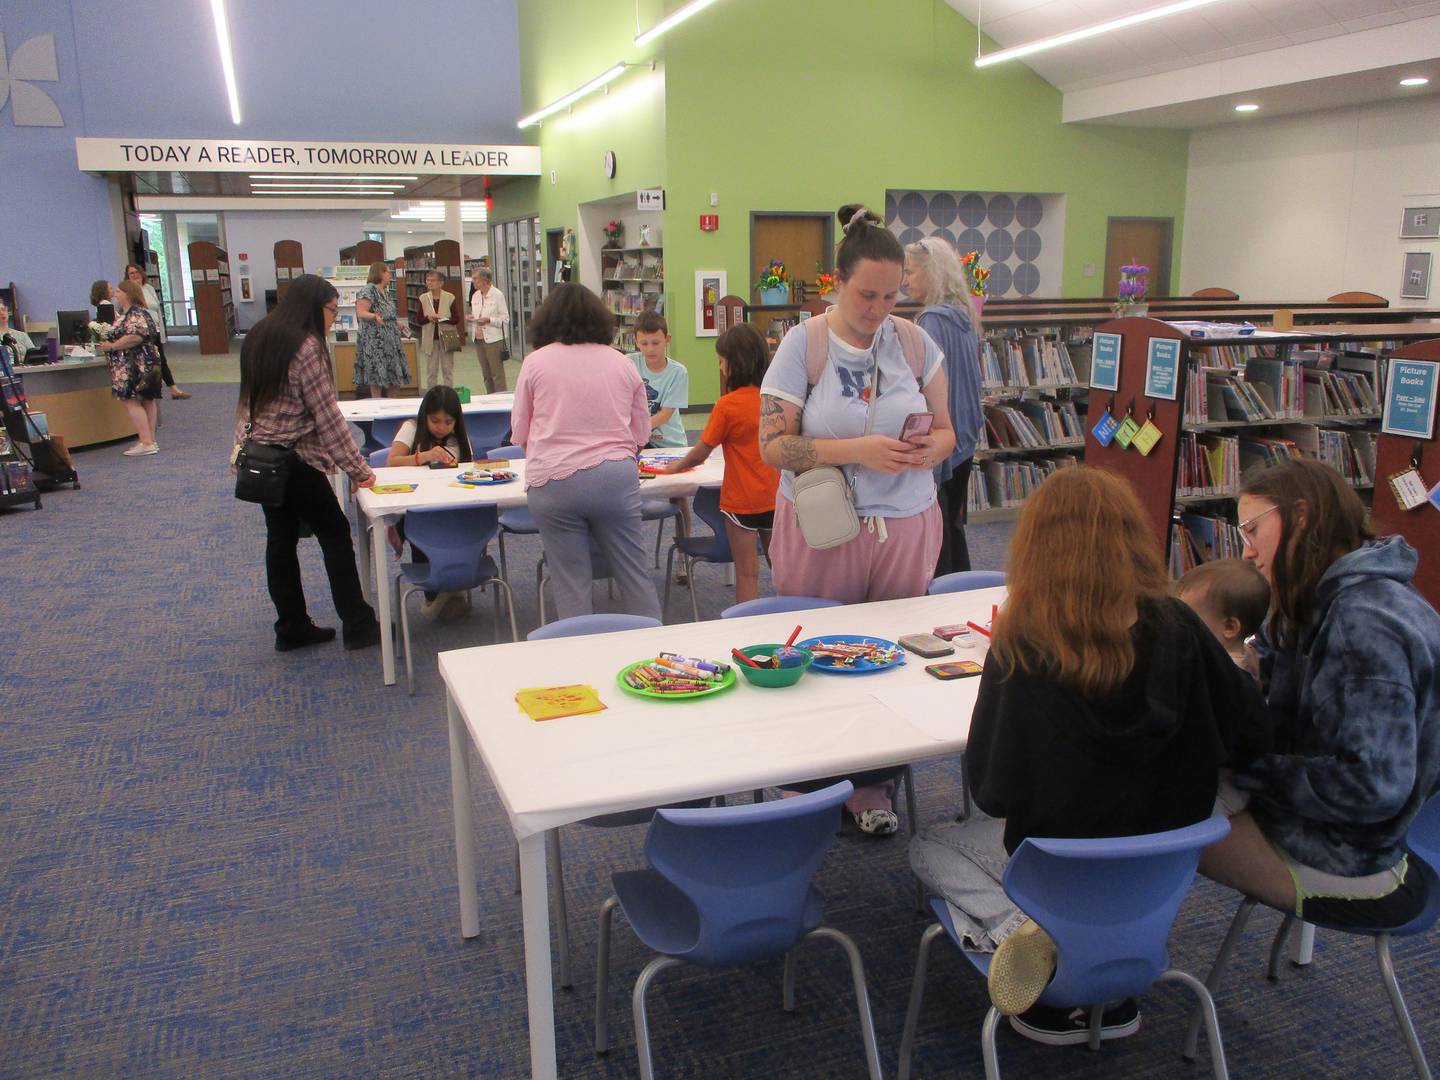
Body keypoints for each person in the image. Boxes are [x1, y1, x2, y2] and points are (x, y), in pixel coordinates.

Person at [908, 466, 1269, 1046]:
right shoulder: (1180, 625)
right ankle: (1106, 966)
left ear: (1036, 549)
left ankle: (1030, 934)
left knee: (929, 847)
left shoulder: (1026, 640)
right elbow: (1252, 732)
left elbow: (992, 789)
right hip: (1156, 866)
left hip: (1061, 864)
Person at [759, 203, 955, 835]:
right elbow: (771, 448)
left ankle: (872, 787)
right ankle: (806, 779)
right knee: (818, 657)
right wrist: (857, 453)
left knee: (891, 660)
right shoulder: (803, 343)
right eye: (866, 294)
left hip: (906, 522)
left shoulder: (918, 342)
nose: (878, 309)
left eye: (892, 296)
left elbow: (951, 431)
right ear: (836, 284)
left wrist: (933, 448)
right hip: (825, 524)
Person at [1199, 459, 1440, 932]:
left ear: (1301, 516)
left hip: (1356, 857)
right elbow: (1277, 673)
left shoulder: (1362, 623)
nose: (1247, 552)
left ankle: (1107, 976)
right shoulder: (1328, 595)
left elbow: (1371, 786)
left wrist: (1251, 768)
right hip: (1357, 833)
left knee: (1162, 804)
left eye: (1252, 530)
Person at [233, 274, 382, 653]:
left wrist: (239, 449)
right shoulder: (307, 346)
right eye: (332, 310)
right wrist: (358, 470)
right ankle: (359, 623)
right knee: (334, 533)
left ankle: (291, 625)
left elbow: (247, 401)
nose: (333, 318)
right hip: (296, 460)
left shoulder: (260, 336)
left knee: (280, 541)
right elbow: (326, 417)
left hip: (263, 459)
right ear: (313, 307)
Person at [510, 283, 661, 622]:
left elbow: (521, 431)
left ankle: (580, 662)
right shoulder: (622, 363)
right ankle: (655, 655)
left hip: (553, 481)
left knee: (571, 582)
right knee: (634, 573)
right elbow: (641, 433)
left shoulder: (535, 363)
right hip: (614, 477)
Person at [656, 322, 779, 605]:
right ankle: (788, 623)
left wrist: (674, 468)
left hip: (741, 502)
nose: (721, 367)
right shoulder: (774, 401)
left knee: (747, 574)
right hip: (774, 497)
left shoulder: (727, 405)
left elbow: (701, 452)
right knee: (780, 569)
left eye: (721, 361)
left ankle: (747, 634)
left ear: (732, 364)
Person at [903, 237, 983, 574]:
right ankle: (958, 592)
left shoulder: (931, 322)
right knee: (952, 525)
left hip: (943, 438)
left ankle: (940, 599)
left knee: (937, 531)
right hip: (965, 435)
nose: (905, 281)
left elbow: (928, 387)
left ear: (931, 273)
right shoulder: (963, 317)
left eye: (909, 272)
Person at [389, 385, 474, 619]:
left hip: (452, 504)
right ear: (424, 415)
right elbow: (391, 462)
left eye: (448, 422)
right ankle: (435, 592)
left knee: (468, 522)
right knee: (424, 526)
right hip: (418, 508)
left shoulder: (459, 439)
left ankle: (454, 584)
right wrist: (422, 456)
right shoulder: (411, 428)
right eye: (435, 421)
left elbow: (469, 468)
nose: (441, 427)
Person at [95, 279, 163, 456]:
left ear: (127, 293)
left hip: (133, 365)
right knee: (147, 399)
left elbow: (135, 336)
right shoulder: (135, 313)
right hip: (144, 363)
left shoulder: (134, 314)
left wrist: (112, 346)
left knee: (130, 400)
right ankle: (149, 439)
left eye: (118, 291)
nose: (115, 294)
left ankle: (146, 440)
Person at [1175, 558, 1270, 667]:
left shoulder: (1217, 670)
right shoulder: (1250, 653)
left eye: (1187, 618)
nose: (1178, 624)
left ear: (1229, 628)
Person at [124, 263, 190, 399]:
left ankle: (173, 389)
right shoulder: (130, 293)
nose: (135, 275)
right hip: (143, 332)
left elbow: (156, 308)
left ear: (142, 273)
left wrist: (162, 331)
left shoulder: (149, 288)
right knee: (150, 361)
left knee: (161, 359)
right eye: (131, 273)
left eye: (136, 272)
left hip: (156, 328)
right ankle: (165, 389)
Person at [630, 312, 689, 449]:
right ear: (636, 341)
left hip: (670, 444)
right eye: (644, 343)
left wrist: (635, 430)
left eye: (656, 343)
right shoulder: (629, 363)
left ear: (667, 339)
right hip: (638, 442)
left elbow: (665, 415)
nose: (650, 349)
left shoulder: (678, 372)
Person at [354, 261, 409, 398]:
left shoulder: (385, 292)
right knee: (377, 376)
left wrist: (398, 324)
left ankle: (391, 405)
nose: (390, 275)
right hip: (376, 341)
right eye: (387, 272)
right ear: (380, 273)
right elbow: (360, 312)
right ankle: (377, 406)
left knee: (394, 376)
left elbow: (388, 314)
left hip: (391, 340)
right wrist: (373, 316)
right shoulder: (369, 290)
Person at [418, 270, 463, 391]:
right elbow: (419, 320)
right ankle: (431, 395)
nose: (429, 283)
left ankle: (449, 394)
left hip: (447, 338)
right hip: (430, 339)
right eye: (427, 280)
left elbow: (456, 319)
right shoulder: (423, 298)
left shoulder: (450, 297)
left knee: (447, 370)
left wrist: (444, 319)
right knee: (431, 371)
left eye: (432, 280)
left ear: (440, 283)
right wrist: (429, 318)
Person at [468, 267, 510, 393]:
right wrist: (472, 317)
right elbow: (477, 314)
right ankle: (490, 397)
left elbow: (505, 319)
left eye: (475, 278)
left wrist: (489, 320)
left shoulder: (497, 295)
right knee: (486, 373)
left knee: (497, 373)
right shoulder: (475, 296)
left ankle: (501, 398)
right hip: (478, 339)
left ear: (485, 280)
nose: (472, 281)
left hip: (493, 339)